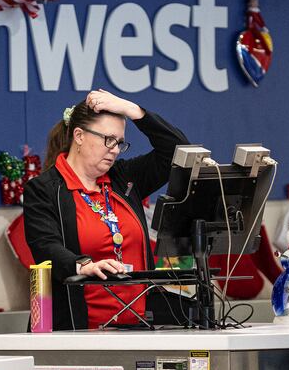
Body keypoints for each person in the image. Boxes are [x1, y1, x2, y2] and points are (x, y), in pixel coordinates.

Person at [23, 89, 190, 330]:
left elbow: (179, 150)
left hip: (139, 327)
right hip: (77, 328)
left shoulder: (125, 178)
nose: (114, 149)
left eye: (120, 143)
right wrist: (84, 266)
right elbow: (46, 247)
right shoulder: (44, 189)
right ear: (79, 136)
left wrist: (134, 111)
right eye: (108, 139)